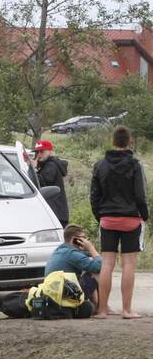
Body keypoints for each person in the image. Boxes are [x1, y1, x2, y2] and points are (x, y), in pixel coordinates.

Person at [90, 125, 148, 319]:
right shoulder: (135, 165)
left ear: (112, 141)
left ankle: (102, 310)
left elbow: (94, 195)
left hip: (108, 219)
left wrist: (100, 216)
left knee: (107, 264)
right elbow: (140, 195)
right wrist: (144, 215)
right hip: (131, 219)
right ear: (129, 141)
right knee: (129, 264)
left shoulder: (100, 165)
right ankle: (126, 310)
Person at [45, 224, 103, 309]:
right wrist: (91, 248)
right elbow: (99, 266)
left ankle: (97, 305)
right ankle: (100, 307)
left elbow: (86, 257)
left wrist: (88, 251)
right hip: (67, 296)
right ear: (74, 239)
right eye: (83, 238)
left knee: (91, 266)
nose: (86, 240)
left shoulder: (61, 250)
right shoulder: (71, 254)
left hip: (56, 295)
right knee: (94, 272)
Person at [34, 140, 69, 226]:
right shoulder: (46, 165)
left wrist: (33, 170)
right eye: (37, 152)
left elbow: (42, 182)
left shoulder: (51, 165)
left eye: (42, 151)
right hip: (55, 213)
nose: (39, 154)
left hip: (55, 214)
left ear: (50, 152)